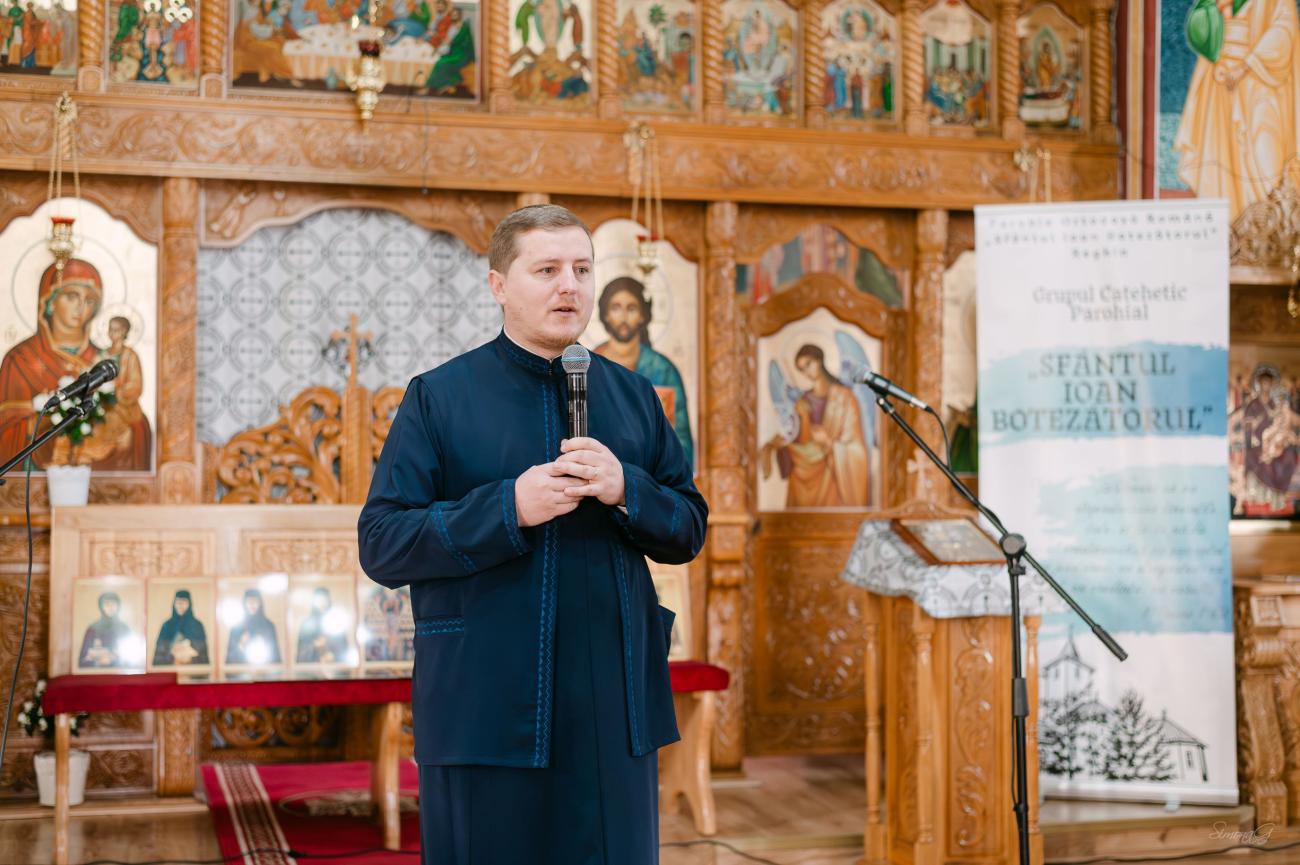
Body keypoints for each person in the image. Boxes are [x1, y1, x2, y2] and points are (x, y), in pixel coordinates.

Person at [358, 204, 707, 865]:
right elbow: (383, 541)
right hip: (484, 704)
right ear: (499, 285)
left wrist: (627, 489)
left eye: (582, 269)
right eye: (547, 270)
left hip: (611, 710)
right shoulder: (439, 397)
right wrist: (508, 507)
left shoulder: (635, 398)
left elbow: (689, 527)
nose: (569, 285)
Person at [1174, 0, 1300, 217]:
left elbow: (1284, 30)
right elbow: (1199, 26)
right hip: (1222, 83)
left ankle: (1270, 223)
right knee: (1224, 155)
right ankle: (1231, 224)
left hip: (1262, 85)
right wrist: (1216, 9)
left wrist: (1246, 66)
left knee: (1266, 156)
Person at [593, 276, 694, 469]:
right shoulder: (588, 366)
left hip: (650, 478)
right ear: (605, 314)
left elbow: (680, 444)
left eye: (631, 308)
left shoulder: (662, 370)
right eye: (616, 308)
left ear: (642, 315)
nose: (624, 316)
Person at [761, 343, 871, 507]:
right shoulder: (803, 400)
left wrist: (829, 442)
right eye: (802, 369)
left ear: (819, 360)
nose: (807, 372)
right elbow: (801, 438)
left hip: (833, 478)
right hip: (805, 470)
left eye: (808, 364)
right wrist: (799, 421)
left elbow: (857, 450)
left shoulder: (845, 398)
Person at [152, 589, 209, 666]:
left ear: (189, 604)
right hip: (171, 669)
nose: (181, 606)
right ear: (174, 604)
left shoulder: (197, 626)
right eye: (178, 602)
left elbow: (203, 656)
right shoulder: (167, 626)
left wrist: (189, 658)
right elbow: (159, 656)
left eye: (184, 602)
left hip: (192, 671)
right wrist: (173, 657)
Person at [226, 588, 282, 666]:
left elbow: (276, 659)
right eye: (249, 601)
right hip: (242, 672)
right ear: (244, 603)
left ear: (260, 603)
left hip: (265, 672)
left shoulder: (269, 626)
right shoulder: (236, 629)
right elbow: (230, 662)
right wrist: (241, 645)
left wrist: (265, 643)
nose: (252, 604)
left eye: (255, 600)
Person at [295, 586, 350, 663]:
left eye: (324, 599)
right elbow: (301, 652)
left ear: (328, 601)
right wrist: (314, 645)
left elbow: (343, 649)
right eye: (319, 600)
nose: (322, 603)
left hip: (334, 666)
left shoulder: (336, 622)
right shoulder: (306, 624)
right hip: (312, 667)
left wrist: (332, 653)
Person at [79, 592, 134, 668]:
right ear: (101, 607)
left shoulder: (125, 629)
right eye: (107, 604)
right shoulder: (92, 630)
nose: (110, 607)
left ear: (118, 606)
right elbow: (82, 661)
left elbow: (132, 660)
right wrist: (97, 662)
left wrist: (114, 660)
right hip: (97, 673)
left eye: (113, 604)